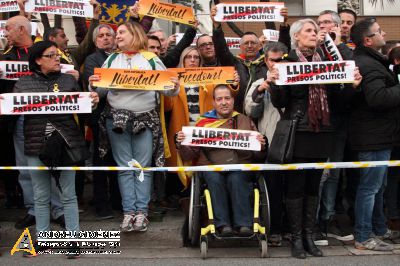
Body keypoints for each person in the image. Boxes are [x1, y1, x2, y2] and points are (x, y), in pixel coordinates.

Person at [268, 18, 361, 259]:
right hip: (299, 130)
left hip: (323, 130)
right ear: (297, 37)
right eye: (309, 31)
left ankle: (309, 236)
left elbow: (339, 102)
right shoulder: (287, 63)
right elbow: (281, 102)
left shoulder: (328, 63)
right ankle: (297, 239)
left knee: (314, 186)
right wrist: (275, 82)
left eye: (315, 30)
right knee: (296, 186)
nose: (313, 34)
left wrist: (351, 85)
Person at [89, 21, 180, 232]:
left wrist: (174, 87)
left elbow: (167, 90)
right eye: (117, 33)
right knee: (124, 168)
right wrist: (94, 87)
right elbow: (101, 90)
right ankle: (128, 212)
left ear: (135, 34)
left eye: (121, 32)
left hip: (144, 120)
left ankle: (142, 213)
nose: (117, 36)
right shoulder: (112, 59)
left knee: (142, 167)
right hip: (116, 120)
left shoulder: (151, 59)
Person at [11, 40, 99, 258]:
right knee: (41, 196)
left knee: (68, 195)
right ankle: (43, 241)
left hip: (65, 145)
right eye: (51, 55)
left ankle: (73, 242)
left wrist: (93, 101)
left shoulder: (68, 80)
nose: (57, 58)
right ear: (38, 60)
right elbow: (11, 114)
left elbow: (84, 114)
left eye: (58, 55)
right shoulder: (23, 84)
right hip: (36, 146)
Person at [176, 84, 267, 236]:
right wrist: (181, 143)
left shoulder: (245, 121)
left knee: (236, 179)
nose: (223, 102)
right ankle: (222, 225)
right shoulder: (203, 123)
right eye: (219, 99)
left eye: (227, 98)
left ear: (233, 100)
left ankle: (244, 224)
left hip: (240, 167)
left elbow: (259, 157)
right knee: (214, 179)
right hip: (211, 167)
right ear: (214, 102)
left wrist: (262, 146)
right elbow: (189, 155)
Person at [1, 15, 65, 230]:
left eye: (8, 28)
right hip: (19, 120)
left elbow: (66, 73)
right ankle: (33, 210)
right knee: (26, 167)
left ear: (21, 29)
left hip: (50, 118)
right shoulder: (4, 56)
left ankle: (58, 209)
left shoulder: (48, 49)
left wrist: (73, 72)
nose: (5, 33)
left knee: (52, 165)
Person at [350, 18, 400, 251]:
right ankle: (363, 236)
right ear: (368, 40)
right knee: (370, 187)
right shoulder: (367, 64)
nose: (384, 33)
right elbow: (378, 98)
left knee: (378, 186)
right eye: (379, 31)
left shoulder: (373, 60)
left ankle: (379, 230)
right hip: (372, 136)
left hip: (379, 135)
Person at [164, 47, 239, 187]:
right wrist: (171, 89)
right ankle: (186, 197)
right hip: (182, 129)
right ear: (183, 60)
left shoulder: (211, 78)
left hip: (206, 129)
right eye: (189, 57)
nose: (192, 60)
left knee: (205, 163)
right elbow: (167, 107)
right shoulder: (174, 78)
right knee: (183, 165)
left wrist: (233, 84)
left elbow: (226, 96)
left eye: (196, 57)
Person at [316, 10, 355, 245]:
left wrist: (336, 43)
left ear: (338, 27)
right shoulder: (315, 51)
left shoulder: (345, 50)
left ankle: (329, 218)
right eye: (319, 23)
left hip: (339, 120)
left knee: (334, 175)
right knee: (320, 174)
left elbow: (350, 69)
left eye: (327, 23)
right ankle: (316, 222)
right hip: (318, 121)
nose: (322, 27)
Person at [244, 41, 288, 246]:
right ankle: (275, 230)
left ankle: (293, 229)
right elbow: (250, 112)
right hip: (271, 143)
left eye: (281, 60)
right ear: (266, 61)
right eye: (273, 60)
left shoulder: (299, 79)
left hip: (297, 141)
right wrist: (261, 90)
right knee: (273, 188)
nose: (277, 64)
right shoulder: (258, 83)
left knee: (294, 188)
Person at [83, 24, 121, 219]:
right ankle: (101, 203)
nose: (105, 38)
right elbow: (96, 86)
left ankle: (117, 200)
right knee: (100, 161)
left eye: (109, 35)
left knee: (117, 160)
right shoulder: (92, 60)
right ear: (95, 40)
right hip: (100, 118)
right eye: (101, 36)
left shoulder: (121, 58)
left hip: (120, 117)